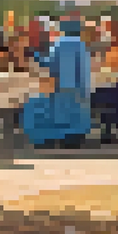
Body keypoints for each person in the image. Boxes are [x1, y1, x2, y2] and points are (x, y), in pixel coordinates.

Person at [22, 16, 95, 148]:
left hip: (62, 87)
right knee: (76, 116)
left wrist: (35, 56)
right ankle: (74, 140)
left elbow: (51, 64)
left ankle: (60, 139)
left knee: (61, 116)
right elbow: (85, 69)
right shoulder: (82, 45)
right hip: (78, 88)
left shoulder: (59, 43)